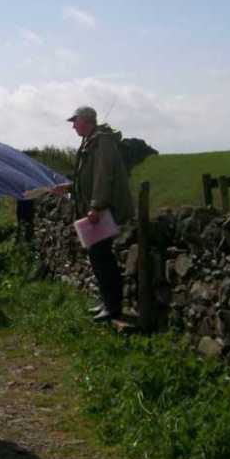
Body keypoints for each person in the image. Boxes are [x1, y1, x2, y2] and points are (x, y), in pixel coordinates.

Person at [55, 106, 135, 322]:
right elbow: (87, 178)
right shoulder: (91, 141)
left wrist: (97, 206)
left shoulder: (102, 141)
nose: (73, 126)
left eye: (75, 121)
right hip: (98, 209)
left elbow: (103, 175)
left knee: (102, 257)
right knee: (98, 257)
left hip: (104, 210)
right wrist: (70, 188)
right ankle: (107, 302)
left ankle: (112, 306)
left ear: (86, 121)